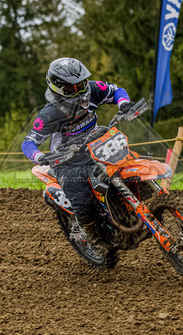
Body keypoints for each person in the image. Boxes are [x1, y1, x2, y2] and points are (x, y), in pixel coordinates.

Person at [21, 58, 135, 248]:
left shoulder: (92, 89)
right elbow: (29, 142)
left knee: (128, 163)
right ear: (58, 87)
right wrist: (39, 156)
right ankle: (91, 235)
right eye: (73, 87)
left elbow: (116, 90)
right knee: (81, 199)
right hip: (66, 160)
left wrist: (124, 104)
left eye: (82, 83)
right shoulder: (49, 114)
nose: (80, 89)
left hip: (96, 145)